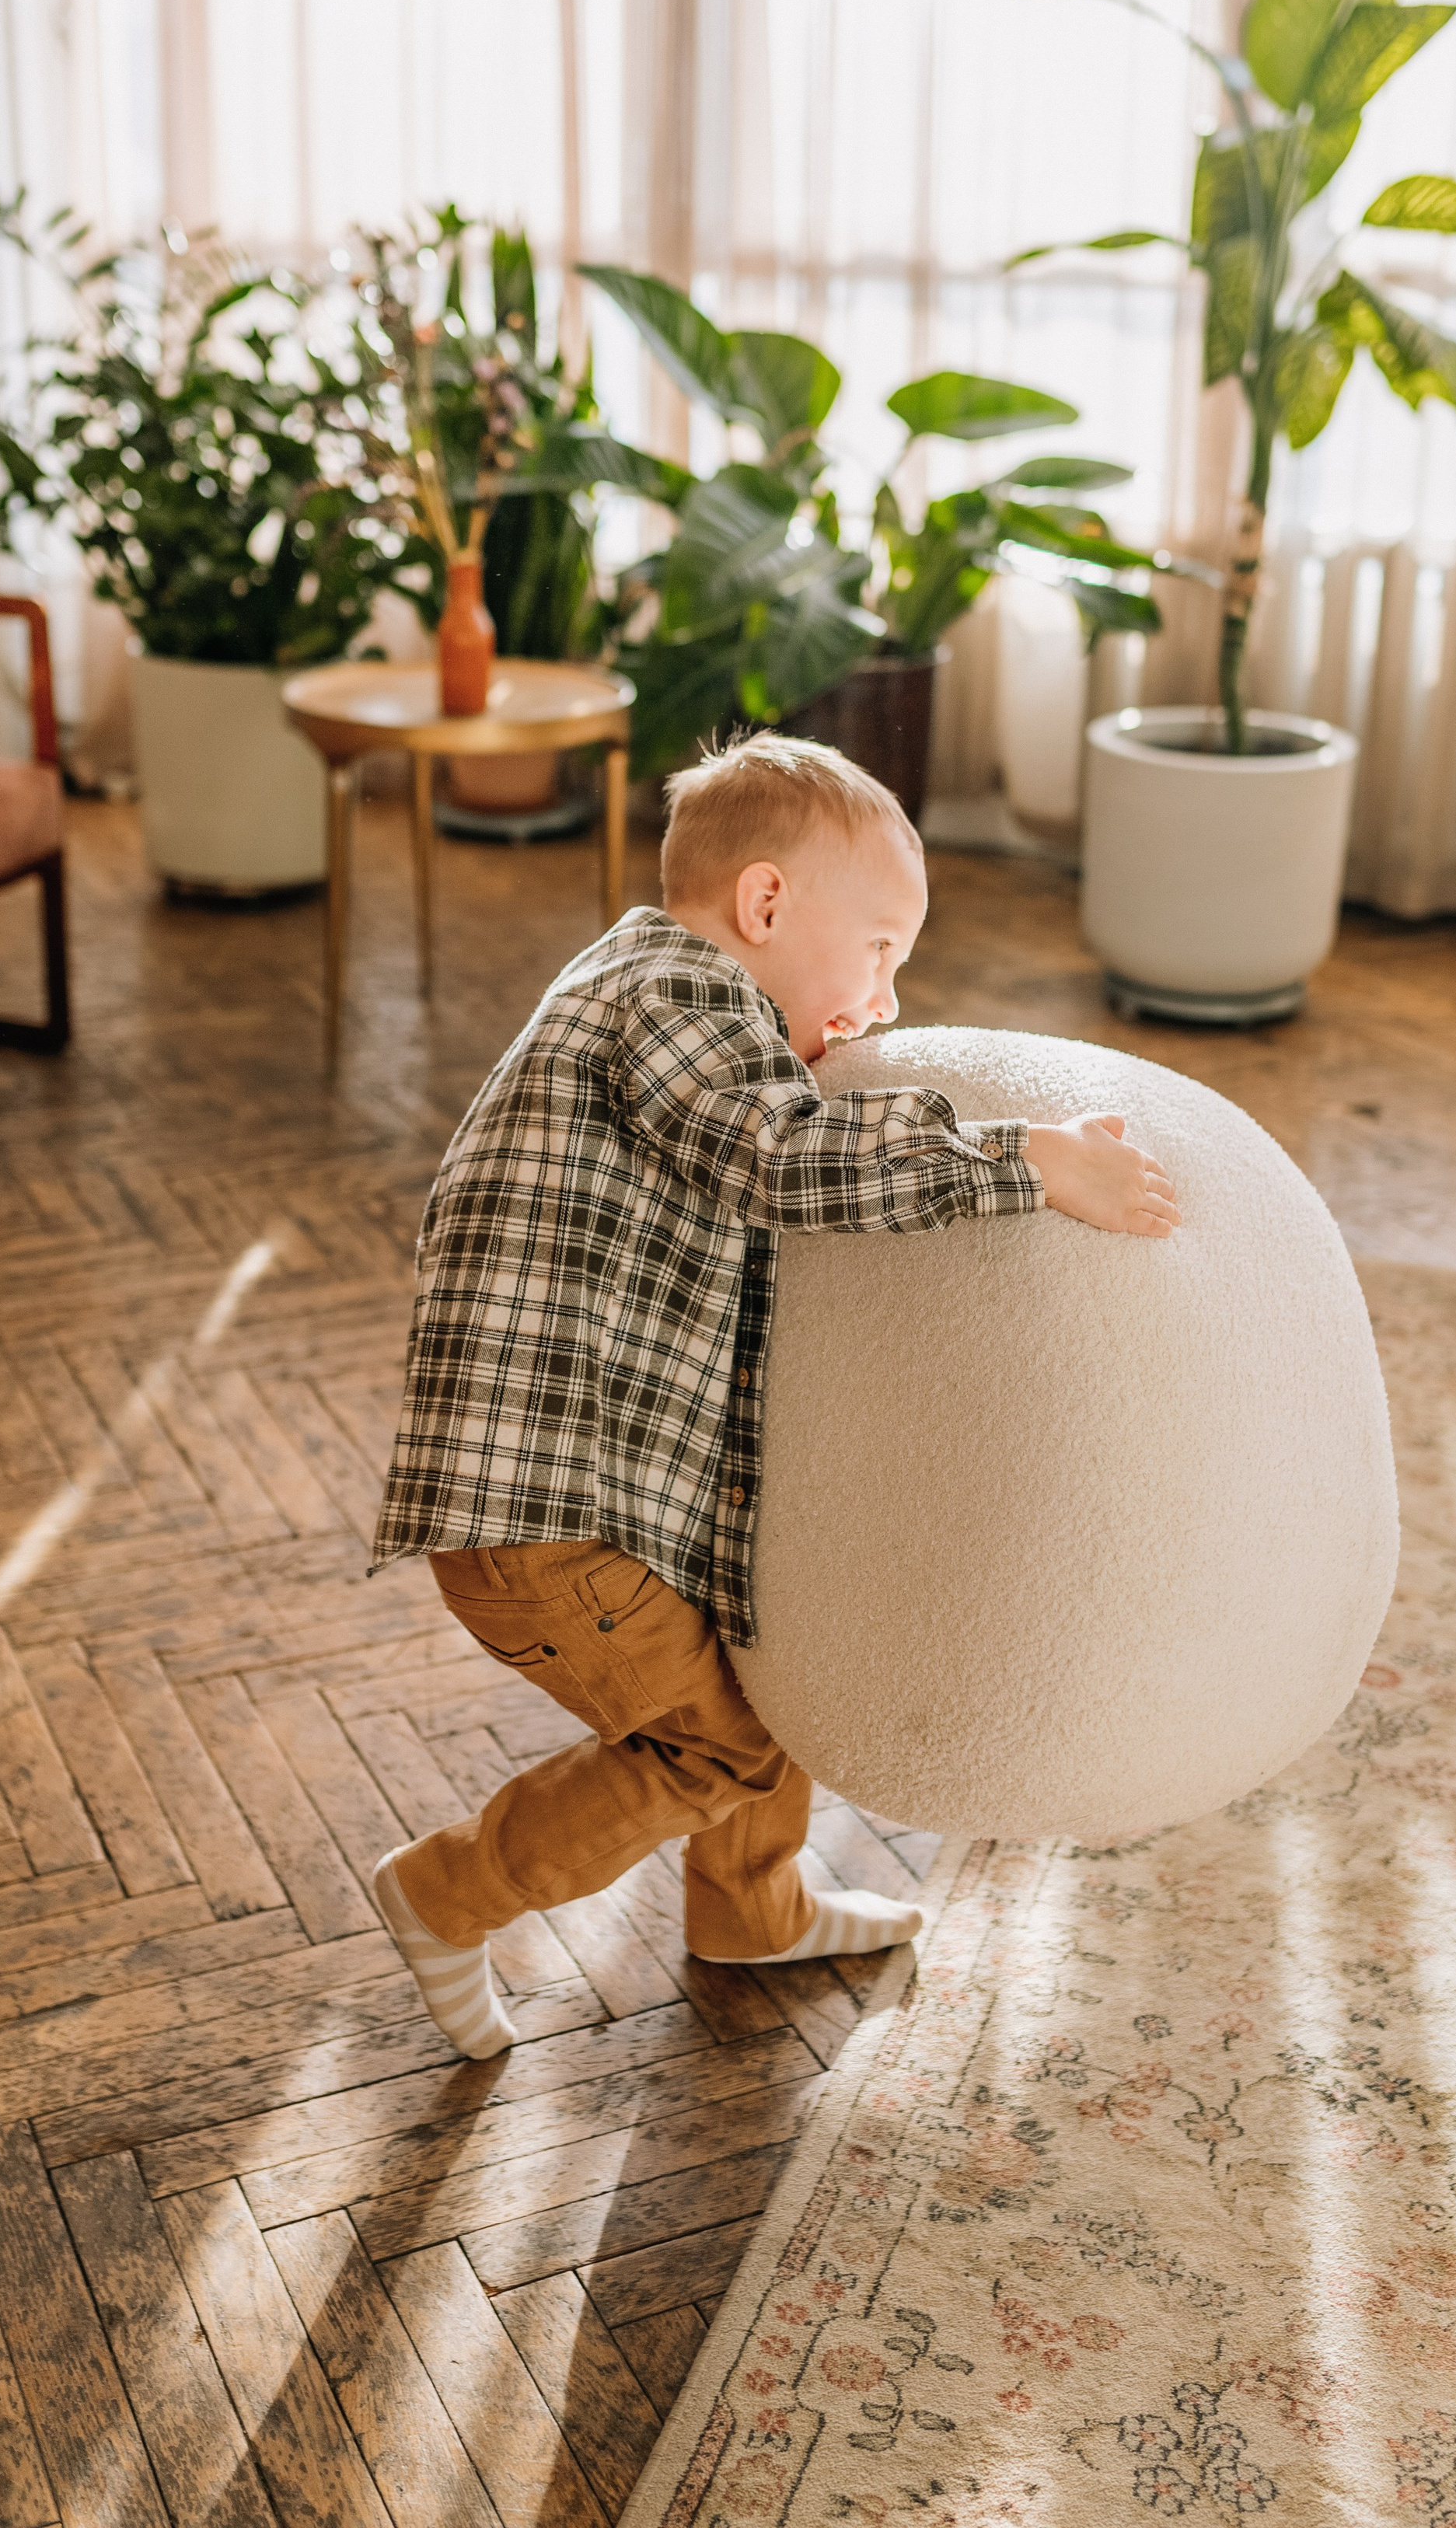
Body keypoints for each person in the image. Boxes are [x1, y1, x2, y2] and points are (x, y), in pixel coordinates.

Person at [366, 733, 1178, 2055]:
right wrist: (1024, 1160)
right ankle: (451, 1895)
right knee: (726, 1746)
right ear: (763, 908)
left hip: (578, 1505)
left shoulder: (649, 986)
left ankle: (753, 1905)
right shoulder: (677, 1000)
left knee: (769, 1663)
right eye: (880, 951)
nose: (889, 999)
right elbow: (785, 1158)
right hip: (552, 1521)